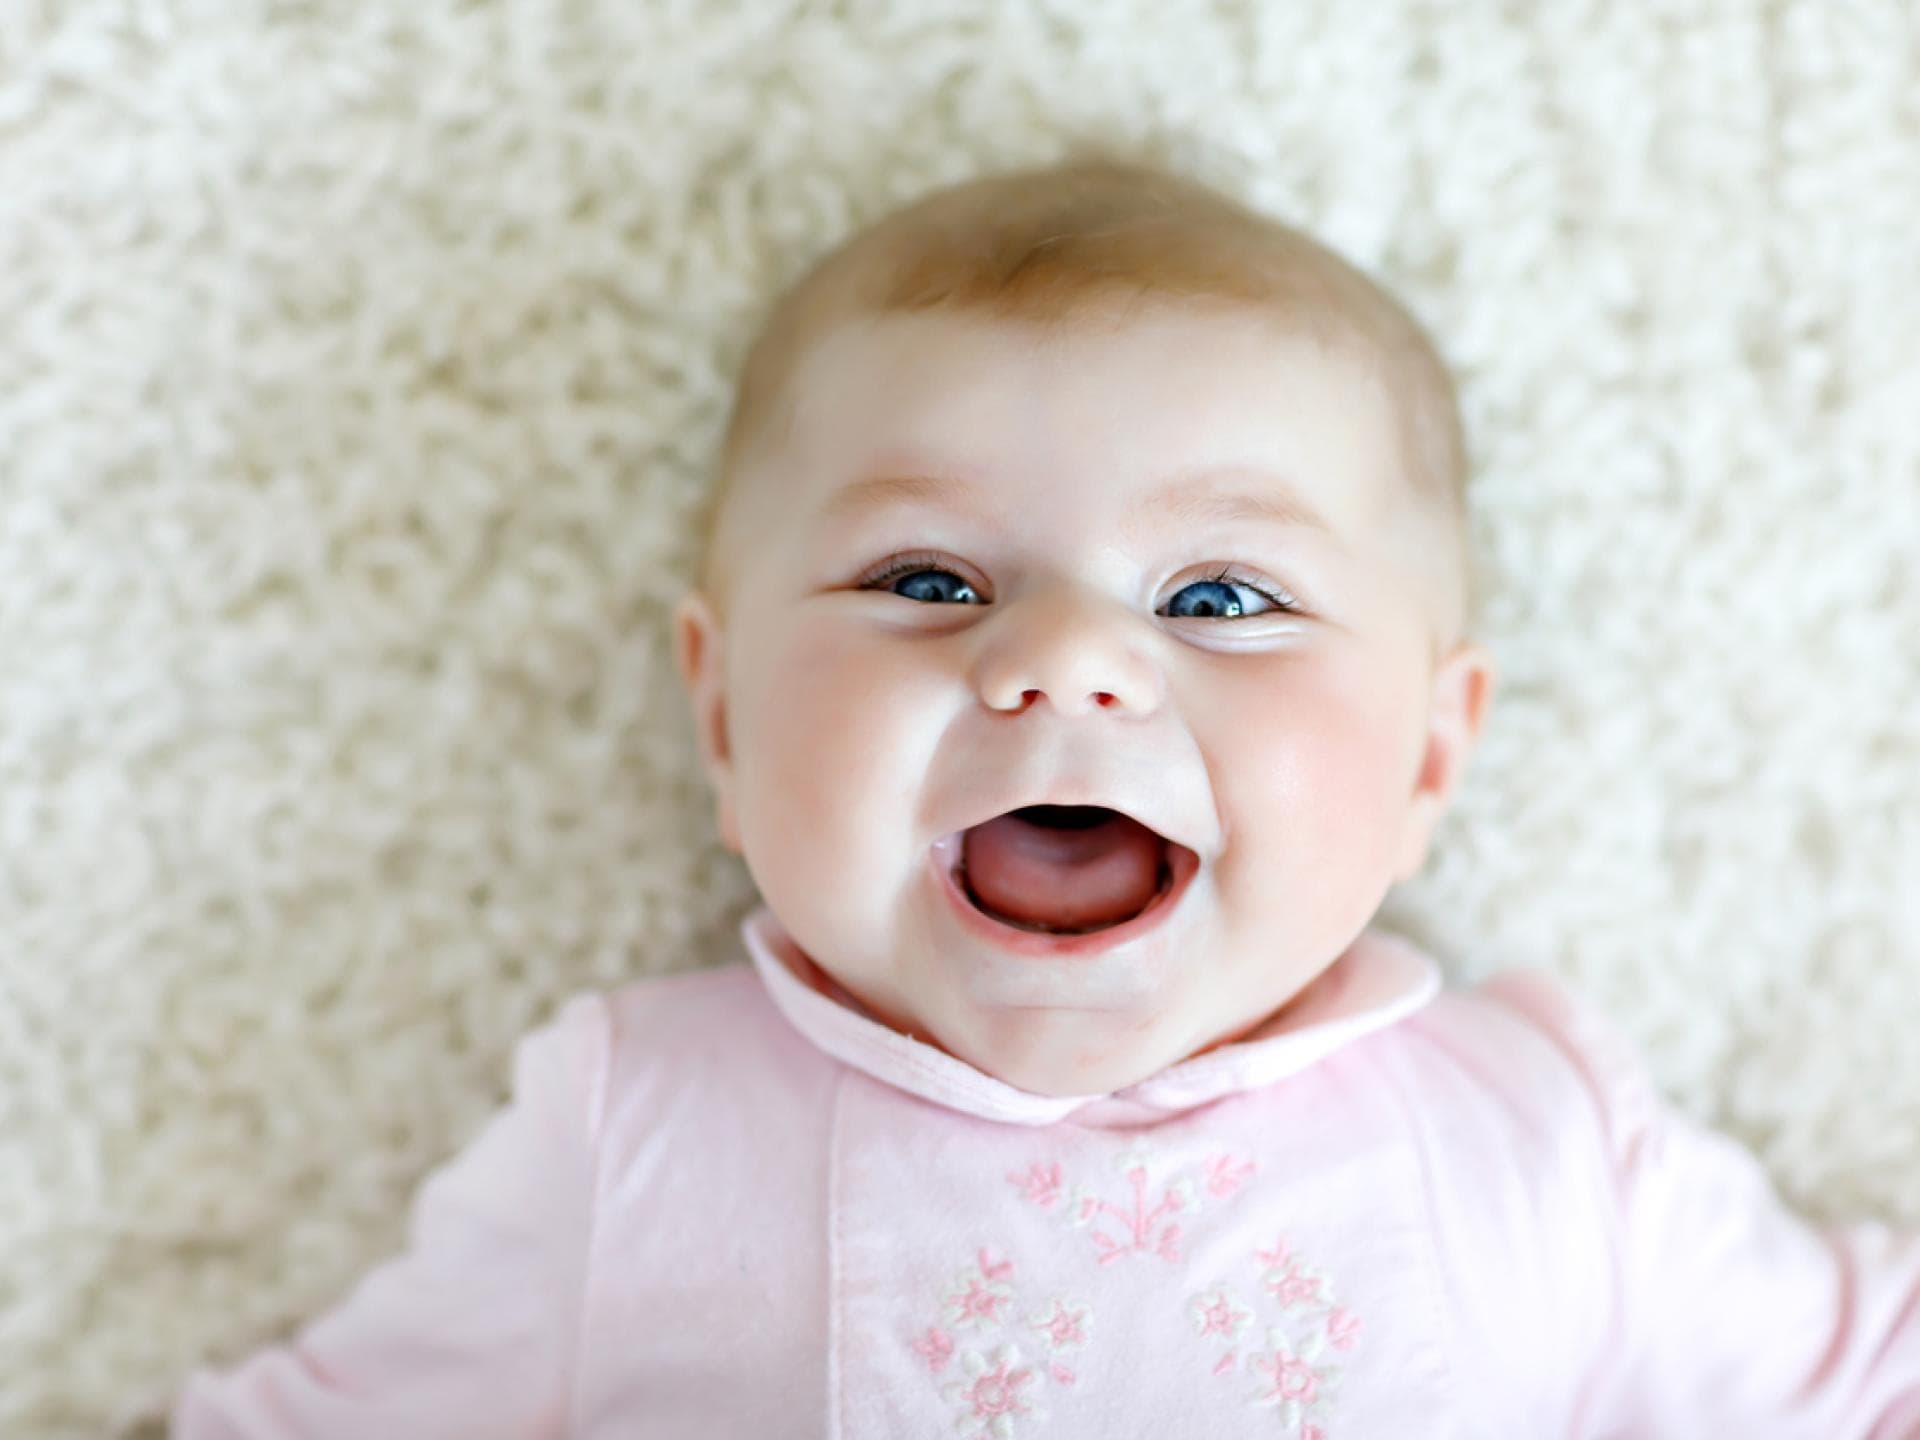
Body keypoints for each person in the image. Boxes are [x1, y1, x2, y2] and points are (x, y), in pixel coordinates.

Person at [170, 152, 1920, 1438]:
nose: (1066, 661)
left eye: (1219, 599)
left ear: (1428, 762)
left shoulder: (1543, 1137)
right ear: (718, 717)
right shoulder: (636, 1131)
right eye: (927, 580)